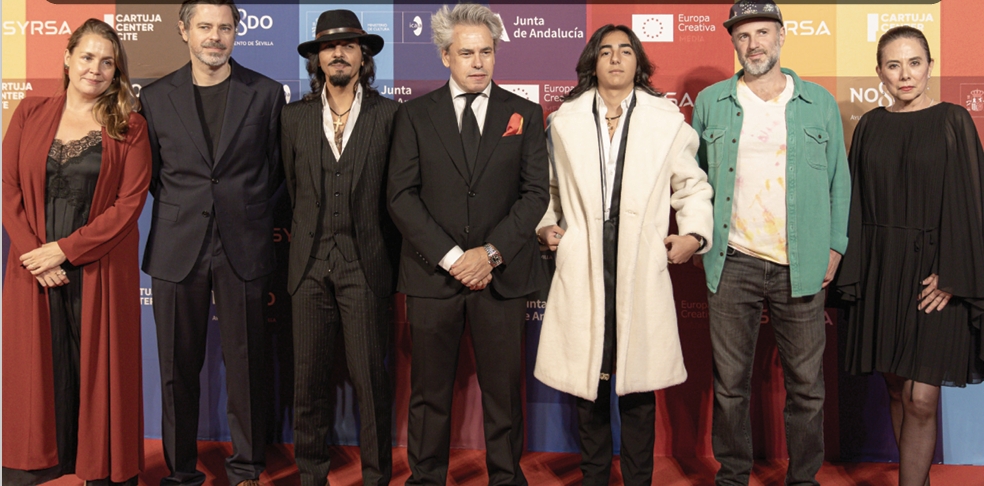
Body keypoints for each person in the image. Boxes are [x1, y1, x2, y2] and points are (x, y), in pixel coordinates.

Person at [533, 24, 713, 485]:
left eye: (625, 51)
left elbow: (691, 185)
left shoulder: (665, 120)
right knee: (588, 383)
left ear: (639, 63)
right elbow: (547, 188)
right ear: (593, 62)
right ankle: (593, 477)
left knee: (636, 387)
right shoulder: (564, 121)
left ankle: (638, 479)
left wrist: (693, 234)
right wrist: (546, 225)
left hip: (640, 262)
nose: (615, 58)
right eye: (606, 51)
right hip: (583, 262)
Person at [387, 3, 549, 484]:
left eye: (486, 52)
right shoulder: (414, 115)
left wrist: (490, 255)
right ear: (445, 56)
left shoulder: (525, 113)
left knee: (504, 392)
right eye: (466, 53)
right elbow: (401, 196)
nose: (478, 63)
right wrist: (455, 258)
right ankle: (426, 477)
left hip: (502, 277)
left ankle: (506, 477)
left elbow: (535, 194)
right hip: (433, 277)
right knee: (429, 392)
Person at [691, 0, 850, 484]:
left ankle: (803, 479)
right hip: (732, 261)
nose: (753, 43)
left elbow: (839, 180)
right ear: (734, 43)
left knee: (807, 386)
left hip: (801, 262)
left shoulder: (818, 101)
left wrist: (835, 246)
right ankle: (732, 476)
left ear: (781, 35)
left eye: (762, 32)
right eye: (743, 35)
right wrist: (698, 236)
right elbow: (693, 181)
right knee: (730, 385)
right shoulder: (711, 102)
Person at [139, 0, 285, 484]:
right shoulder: (155, 97)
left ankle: (246, 469)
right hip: (176, 245)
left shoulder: (266, 93)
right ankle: (181, 471)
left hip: (244, 243)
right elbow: (152, 175)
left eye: (224, 27)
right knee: (176, 368)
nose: (215, 37)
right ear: (184, 30)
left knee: (247, 364)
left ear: (236, 33)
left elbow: (276, 171)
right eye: (205, 26)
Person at [2, 18, 150, 486]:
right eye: (87, 57)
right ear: (67, 58)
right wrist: (35, 255)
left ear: (117, 71)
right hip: (33, 269)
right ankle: (35, 465)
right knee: (36, 373)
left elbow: (129, 204)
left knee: (100, 374)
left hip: (98, 268)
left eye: (108, 62)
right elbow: (8, 188)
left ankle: (102, 470)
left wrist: (64, 250)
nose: (95, 69)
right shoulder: (29, 111)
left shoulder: (130, 125)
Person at [836, 26, 984, 486]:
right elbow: (855, 205)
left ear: (930, 67)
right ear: (879, 72)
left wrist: (953, 274)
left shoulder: (953, 120)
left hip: (936, 276)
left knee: (922, 397)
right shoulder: (870, 125)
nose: (905, 75)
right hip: (882, 270)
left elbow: (972, 203)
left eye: (914, 63)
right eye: (894, 65)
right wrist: (856, 272)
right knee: (897, 387)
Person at [281, 9, 401, 486]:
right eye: (329, 47)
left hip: (366, 266)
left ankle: (376, 477)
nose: (338, 53)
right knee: (308, 382)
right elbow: (291, 190)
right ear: (317, 59)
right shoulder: (293, 117)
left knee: (371, 382)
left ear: (363, 57)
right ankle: (311, 475)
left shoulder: (389, 115)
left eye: (348, 45)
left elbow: (396, 197)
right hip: (307, 268)